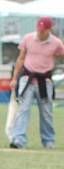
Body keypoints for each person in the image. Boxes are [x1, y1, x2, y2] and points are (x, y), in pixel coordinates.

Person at [8, 16, 64, 150]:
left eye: (43, 30)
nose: (40, 32)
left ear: (49, 30)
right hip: (27, 79)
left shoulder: (56, 43)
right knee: (23, 109)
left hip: (45, 81)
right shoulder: (28, 39)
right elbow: (21, 59)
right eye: (39, 29)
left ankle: (49, 141)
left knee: (46, 112)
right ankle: (19, 140)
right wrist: (15, 78)